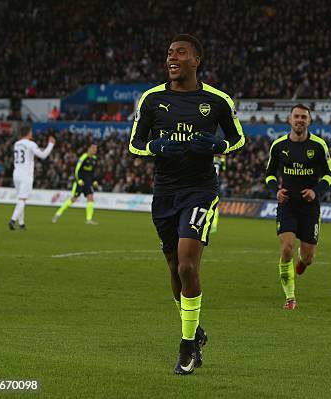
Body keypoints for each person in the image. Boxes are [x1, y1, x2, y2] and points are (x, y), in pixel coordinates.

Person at [128, 34, 245, 375]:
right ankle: (195, 332)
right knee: (173, 270)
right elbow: (135, 145)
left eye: (180, 52)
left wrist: (217, 145)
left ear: (196, 59)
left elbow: (238, 139)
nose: (172, 57)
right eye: (168, 53)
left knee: (187, 267)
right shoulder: (151, 99)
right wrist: (157, 148)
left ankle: (186, 346)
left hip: (200, 191)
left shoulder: (217, 100)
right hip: (164, 193)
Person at [265, 104, 331, 310]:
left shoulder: (318, 145)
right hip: (287, 205)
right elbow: (269, 174)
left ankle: (303, 263)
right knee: (286, 248)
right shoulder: (278, 146)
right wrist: (274, 191)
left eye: (304, 117)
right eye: (296, 116)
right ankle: (290, 297)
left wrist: (316, 191)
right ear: (289, 119)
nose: (300, 120)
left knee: (308, 257)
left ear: (309, 121)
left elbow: (330, 174)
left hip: (309, 207)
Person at [9, 123, 55, 230]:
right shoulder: (31, 144)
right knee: (22, 199)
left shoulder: (16, 144)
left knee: (21, 199)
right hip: (26, 175)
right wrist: (51, 144)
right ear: (28, 133)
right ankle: (12, 220)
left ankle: (22, 224)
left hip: (16, 174)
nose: (32, 134)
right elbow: (43, 155)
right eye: (31, 132)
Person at [52, 143, 99, 224]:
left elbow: (93, 172)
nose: (95, 150)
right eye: (93, 148)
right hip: (80, 182)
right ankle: (58, 214)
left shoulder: (94, 159)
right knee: (73, 199)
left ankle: (89, 219)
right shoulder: (83, 157)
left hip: (88, 183)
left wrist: (94, 180)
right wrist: (79, 179)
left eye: (96, 148)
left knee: (90, 198)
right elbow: (77, 170)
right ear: (89, 148)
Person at [210, 154, 226, 233]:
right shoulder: (220, 161)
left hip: (209, 184)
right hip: (216, 185)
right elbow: (223, 169)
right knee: (215, 206)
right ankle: (214, 225)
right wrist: (223, 159)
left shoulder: (208, 157)